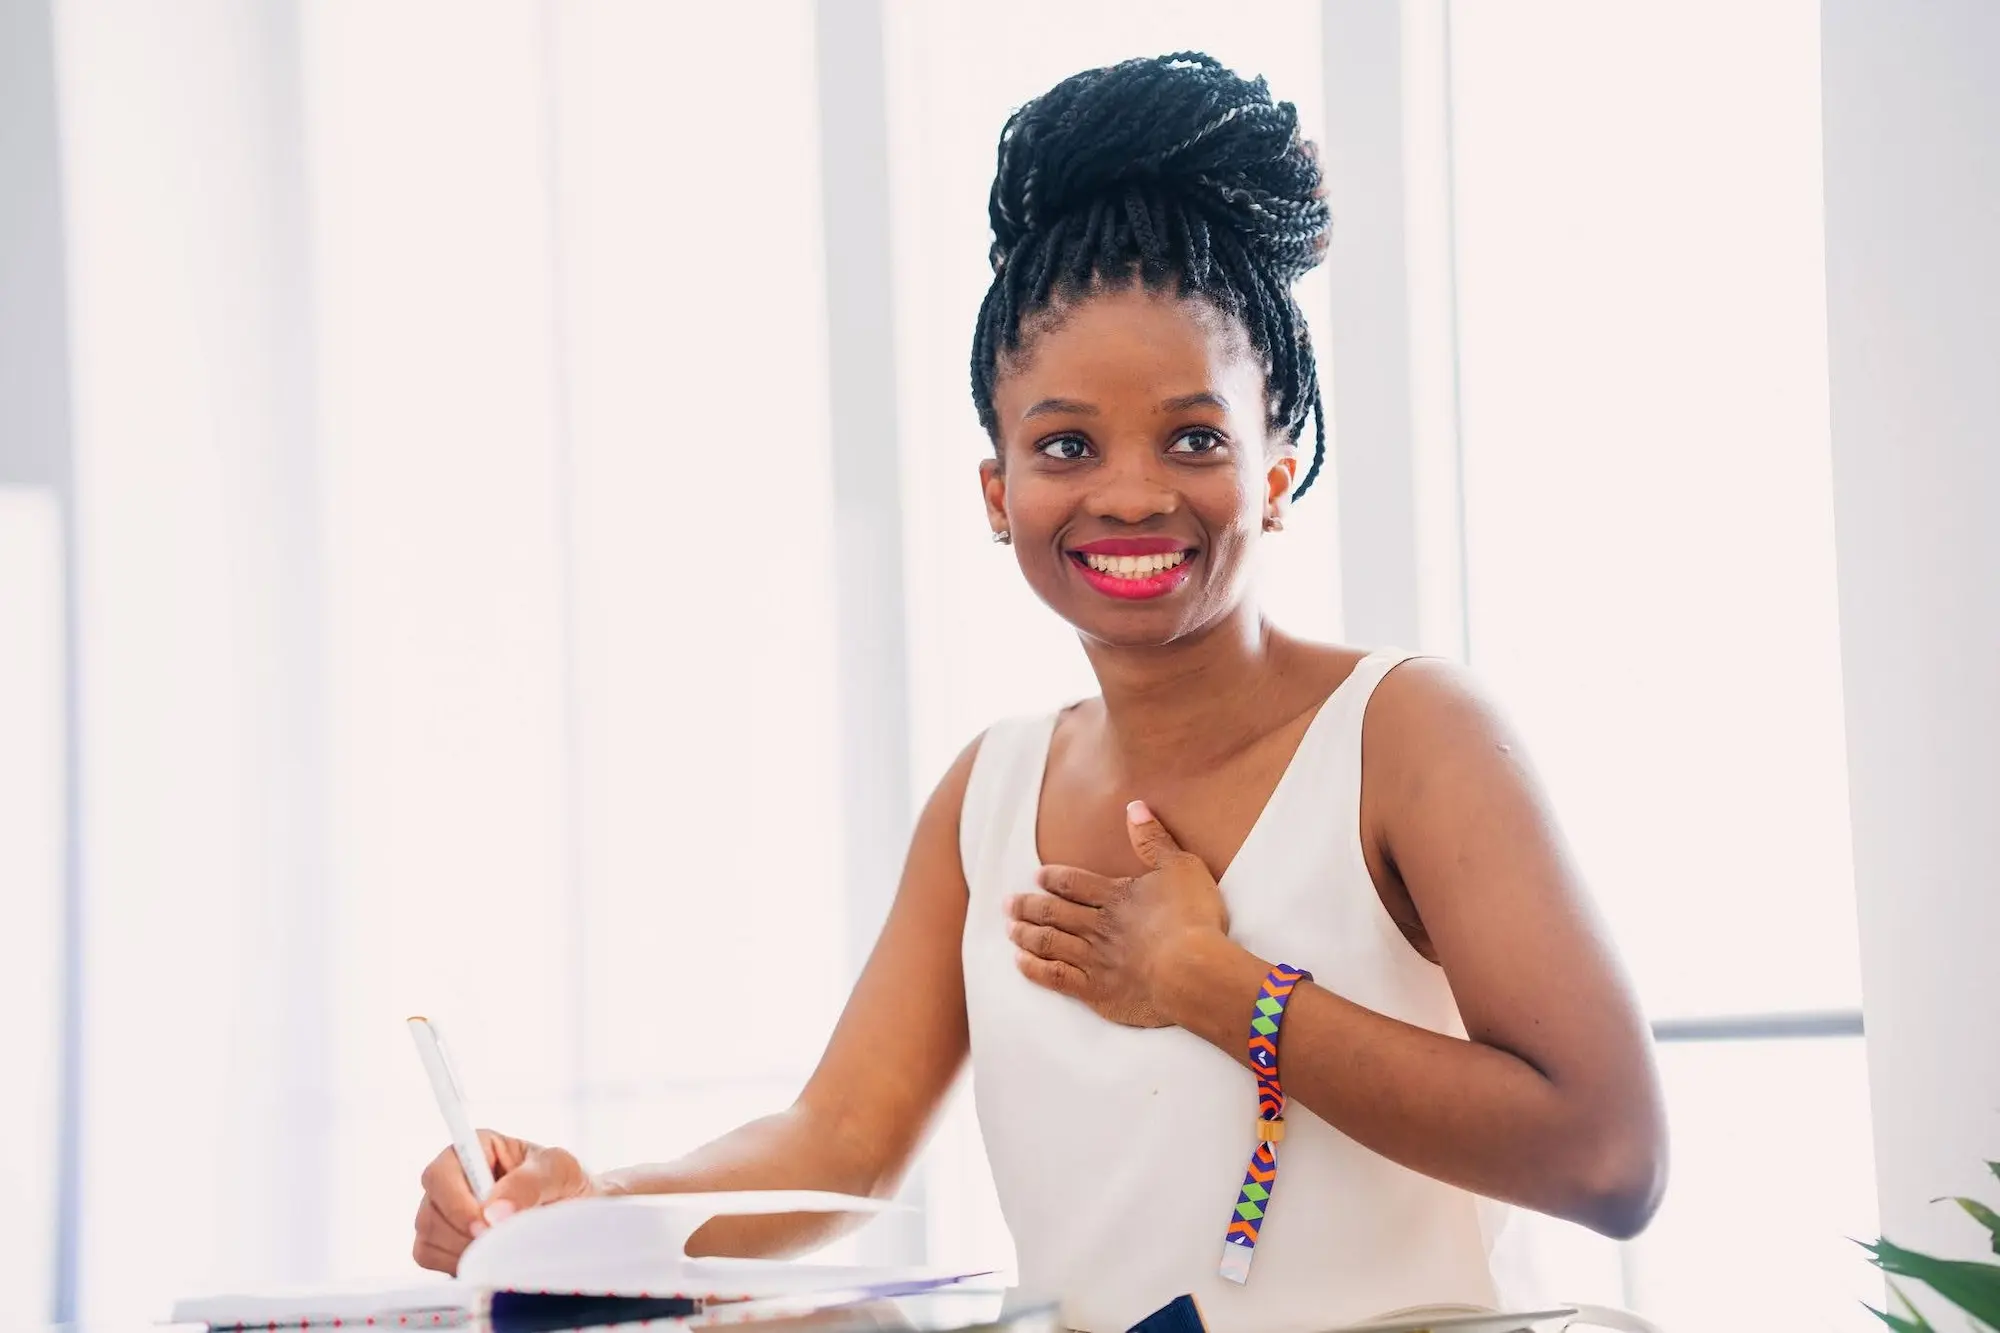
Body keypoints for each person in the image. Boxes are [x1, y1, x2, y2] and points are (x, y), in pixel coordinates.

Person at [412, 52, 1667, 1332]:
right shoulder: (989, 792)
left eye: (1194, 437)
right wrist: (588, 1210)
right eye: (1065, 445)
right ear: (997, 491)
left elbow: (1608, 1158)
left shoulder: (1407, 736)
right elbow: (839, 1138)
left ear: (1277, 469)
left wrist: (1203, 981)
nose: (1129, 493)